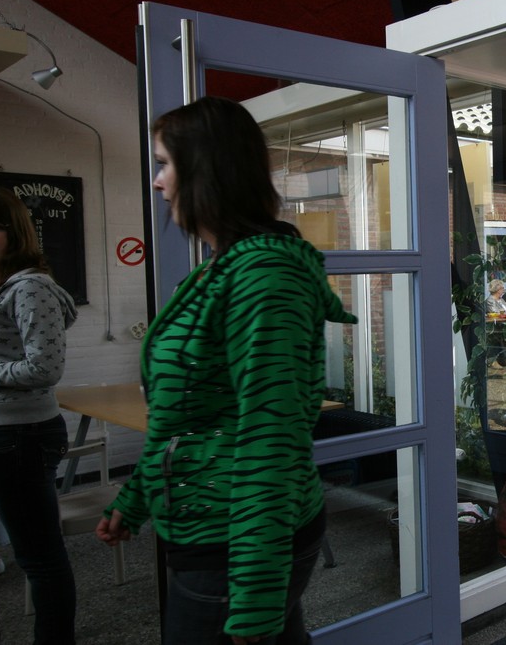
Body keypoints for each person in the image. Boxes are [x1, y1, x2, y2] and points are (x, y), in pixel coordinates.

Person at [95, 96, 357, 645]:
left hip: (235, 539)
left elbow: (272, 436)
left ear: (205, 171)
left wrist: (257, 594)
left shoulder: (265, 276)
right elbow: (186, 420)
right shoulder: (223, 267)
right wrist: (136, 498)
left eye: (164, 164)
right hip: (213, 523)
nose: (157, 182)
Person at [0, 186, 78, 645]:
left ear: (12, 232)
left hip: (19, 436)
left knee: (40, 559)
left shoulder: (31, 287)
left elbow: (45, 367)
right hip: (4, 433)